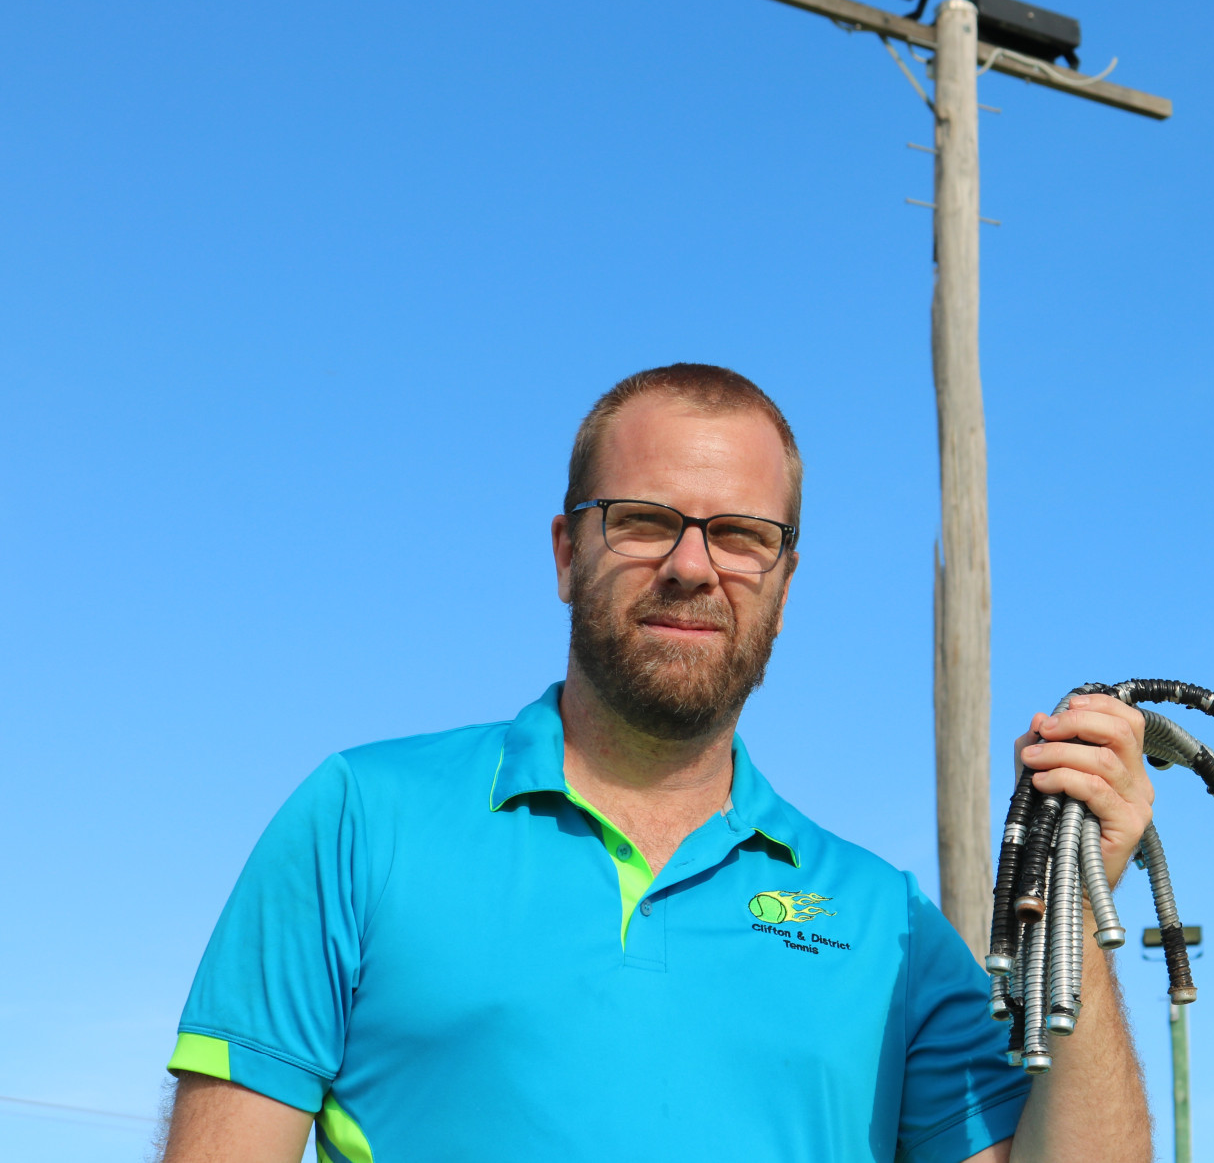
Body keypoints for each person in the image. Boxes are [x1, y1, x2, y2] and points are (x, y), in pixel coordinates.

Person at [160, 363, 1156, 1163]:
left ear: (783, 580)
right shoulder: (359, 820)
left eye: (738, 535)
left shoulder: (888, 924)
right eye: (642, 520)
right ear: (564, 551)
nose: (691, 565)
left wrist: (1071, 910)